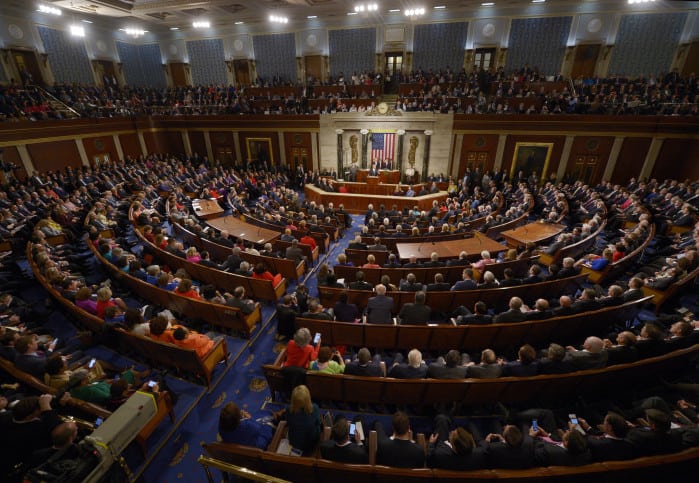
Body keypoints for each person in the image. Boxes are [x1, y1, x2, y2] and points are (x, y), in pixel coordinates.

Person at [281, 385, 321, 455]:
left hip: (295, 442)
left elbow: (287, 421)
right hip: (310, 445)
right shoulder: (315, 409)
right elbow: (318, 423)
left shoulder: (289, 411)